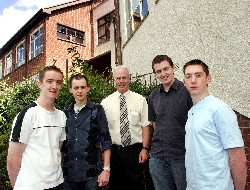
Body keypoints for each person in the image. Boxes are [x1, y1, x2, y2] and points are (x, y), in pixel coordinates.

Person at [183, 59, 247, 190]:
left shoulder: (219, 109)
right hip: (194, 185)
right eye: (188, 76)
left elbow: (238, 156)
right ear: (184, 82)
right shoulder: (192, 111)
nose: (193, 80)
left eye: (198, 75)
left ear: (208, 79)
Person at [7, 65, 66, 190]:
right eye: (49, 81)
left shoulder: (61, 116)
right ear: (40, 84)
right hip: (32, 185)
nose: (54, 86)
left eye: (58, 82)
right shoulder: (29, 113)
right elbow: (13, 158)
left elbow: (57, 150)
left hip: (58, 183)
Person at [101, 65, 151, 190]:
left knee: (136, 185)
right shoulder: (105, 103)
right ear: (114, 80)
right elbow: (103, 131)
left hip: (135, 151)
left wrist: (145, 148)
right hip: (114, 152)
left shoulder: (140, 100)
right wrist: (103, 152)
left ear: (129, 79)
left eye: (124, 78)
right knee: (116, 186)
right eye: (118, 78)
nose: (121, 81)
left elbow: (145, 125)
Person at [148, 55, 193, 190]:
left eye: (166, 69)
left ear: (173, 68)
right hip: (157, 158)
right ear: (155, 74)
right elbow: (154, 123)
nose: (163, 74)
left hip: (181, 157)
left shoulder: (187, 92)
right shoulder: (153, 95)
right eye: (159, 71)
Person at [62, 74, 112, 190]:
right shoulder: (65, 113)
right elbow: (61, 144)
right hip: (69, 174)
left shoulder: (97, 110)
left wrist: (106, 169)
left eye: (83, 87)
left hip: (91, 174)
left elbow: (106, 141)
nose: (80, 91)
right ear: (70, 90)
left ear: (88, 88)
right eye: (76, 88)